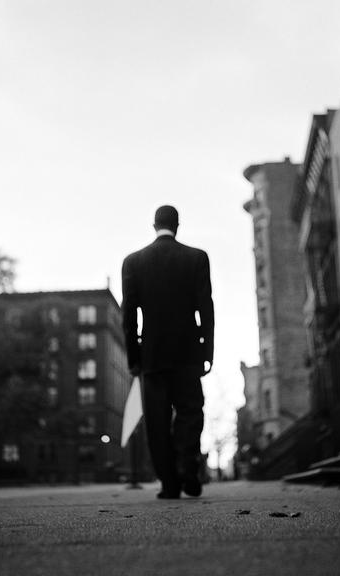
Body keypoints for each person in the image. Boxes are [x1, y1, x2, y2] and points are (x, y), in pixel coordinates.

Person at [121, 205, 214, 499]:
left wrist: (134, 358)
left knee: (156, 422)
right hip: (187, 353)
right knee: (190, 412)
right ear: (177, 225)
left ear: (154, 225)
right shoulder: (197, 258)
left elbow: (129, 317)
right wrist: (207, 351)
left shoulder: (133, 262)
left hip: (152, 355)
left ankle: (170, 484)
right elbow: (205, 308)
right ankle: (188, 467)